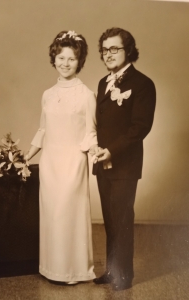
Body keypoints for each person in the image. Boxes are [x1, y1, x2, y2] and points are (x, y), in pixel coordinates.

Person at [25, 30, 97, 285]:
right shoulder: (47, 94)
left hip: (73, 162)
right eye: (61, 57)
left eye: (71, 59)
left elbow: (90, 133)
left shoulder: (86, 95)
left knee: (69, 214)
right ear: (53, 58)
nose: (65, 63)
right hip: (50, 163)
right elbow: (43, 130)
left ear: (80, 62)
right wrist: (25, 157)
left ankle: (73, 271)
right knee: (53, 215)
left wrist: (95, 153)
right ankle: (52, 268)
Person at [92, 27, 156, 291]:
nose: (108, 54)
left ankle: (124, 275)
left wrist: (112, 151)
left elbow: (140, 127)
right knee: (109, 218)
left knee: (122, 217)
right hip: (102, 164)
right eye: (105, 50)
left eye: (114, 49)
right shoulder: (102, 82)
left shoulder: (142, 84)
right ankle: (111, 269)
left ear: (128, 50)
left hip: (125, 165)